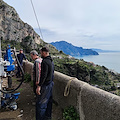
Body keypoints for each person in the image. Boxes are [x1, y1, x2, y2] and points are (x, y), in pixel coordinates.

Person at [36, 47, 54, 120]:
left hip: (46, 85)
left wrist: (39, 86)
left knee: (41, 104)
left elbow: (44, 75)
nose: (40, 54)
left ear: (44, 52)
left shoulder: (45, 62)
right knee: (49, 102)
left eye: (41, 52)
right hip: (51, 84)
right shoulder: (51, 61)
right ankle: (48, 117)